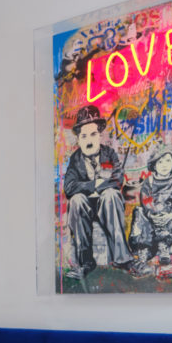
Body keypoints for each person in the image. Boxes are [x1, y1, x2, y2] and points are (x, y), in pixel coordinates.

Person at [62, 105, 146, 279]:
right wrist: (95, 185)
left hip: (107, 206)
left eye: (93, 134)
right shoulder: (75, 159)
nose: (89, 140)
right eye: (84, 136)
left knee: (112, 194)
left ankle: (122, 259)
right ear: (78, 139)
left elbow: (117, 180)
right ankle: (85, 262)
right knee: (76, 200)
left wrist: (99, 187)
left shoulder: (109, 154)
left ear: (100, 135)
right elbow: (69, 187)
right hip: (84, 207)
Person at [129, 144, 172, 266]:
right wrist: (152, 214)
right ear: (154, 165)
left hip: (168, 218)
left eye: (168, 161)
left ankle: (163, 245)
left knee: (164, 207)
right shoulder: (148, 182)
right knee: (139, 211)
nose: (164, 165)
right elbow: (145, 201)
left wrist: (170, 215)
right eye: (160, 162)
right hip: (151, 217)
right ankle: (143, 249)